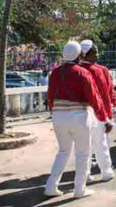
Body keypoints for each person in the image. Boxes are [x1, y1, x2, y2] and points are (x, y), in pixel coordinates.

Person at [44, 41, 107, 199]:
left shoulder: (55, 73)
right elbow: (94, 97)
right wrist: (103, 117)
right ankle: (80, 189)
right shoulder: (82, 72)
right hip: (80, 116)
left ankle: (51, 186)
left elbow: (50, 96)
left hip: (59, 115)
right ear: (79, 55)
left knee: (63, 151)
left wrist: (54, 112)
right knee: (83, 153)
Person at [79, 40, 116, 183]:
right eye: (96, 52)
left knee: (84, 146)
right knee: (101, 144)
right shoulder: (99, 70)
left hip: (81, 112)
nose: (98, 55)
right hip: (97, 112)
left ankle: (86, 174)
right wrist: (107, 115)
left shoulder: (77, 69)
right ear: (89, 54)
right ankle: (106, 171)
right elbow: (104, 95)